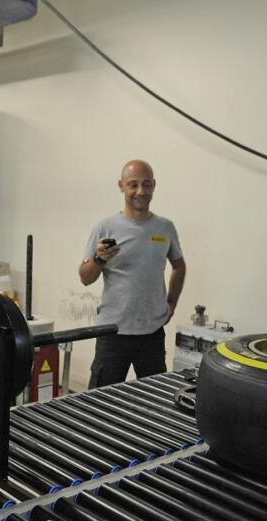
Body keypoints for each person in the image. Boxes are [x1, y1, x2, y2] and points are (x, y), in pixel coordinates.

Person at [79, 159, 186, 388]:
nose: (140, 191)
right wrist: (99, 259)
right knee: (100, 402)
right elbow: (85, 277)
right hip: (113, 333)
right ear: (121, 186)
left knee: (154, 402)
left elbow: (179, 266)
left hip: (152, 333)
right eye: (133, 184)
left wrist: (172, 303)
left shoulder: (165, 228)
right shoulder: (105, 227)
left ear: (154, 186)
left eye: (146, 185)